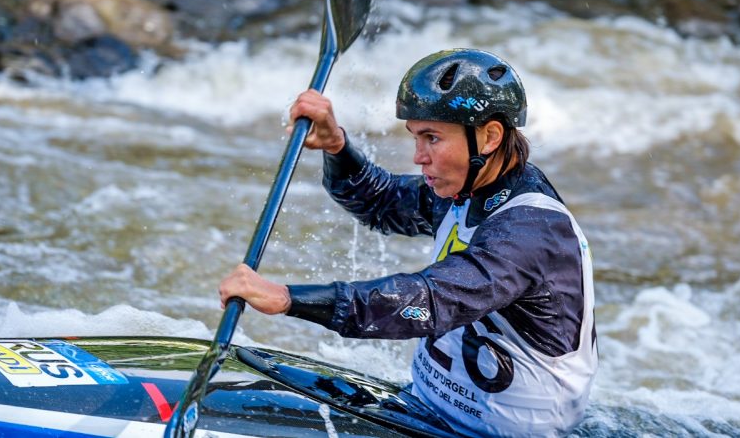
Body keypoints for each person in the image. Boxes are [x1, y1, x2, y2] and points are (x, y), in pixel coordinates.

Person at [220, 49, 598, 437]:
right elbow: (379, 202)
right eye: (416, 137)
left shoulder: (531, 230)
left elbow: (428, 303)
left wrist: (287, 298)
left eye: (432, 138)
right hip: (428, 412)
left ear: (489, 137)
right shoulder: (469, 187)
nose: (419, 157)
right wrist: (336, 145)